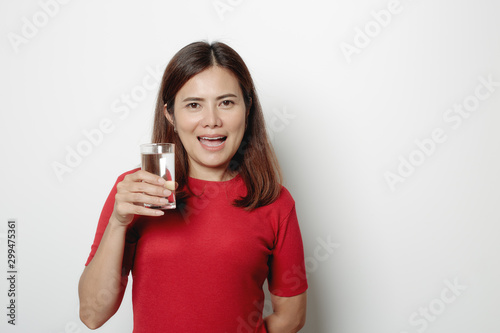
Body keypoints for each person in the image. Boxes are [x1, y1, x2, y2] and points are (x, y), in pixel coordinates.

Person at [78, 41, 308, 332]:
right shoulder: (136, 192)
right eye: (194, 105)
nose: (211, 121)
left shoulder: (275, 202)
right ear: (171, 115)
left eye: (226, 102)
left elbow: (291, 317)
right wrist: (118, 222)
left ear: (248, 109)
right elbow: (92, 314)